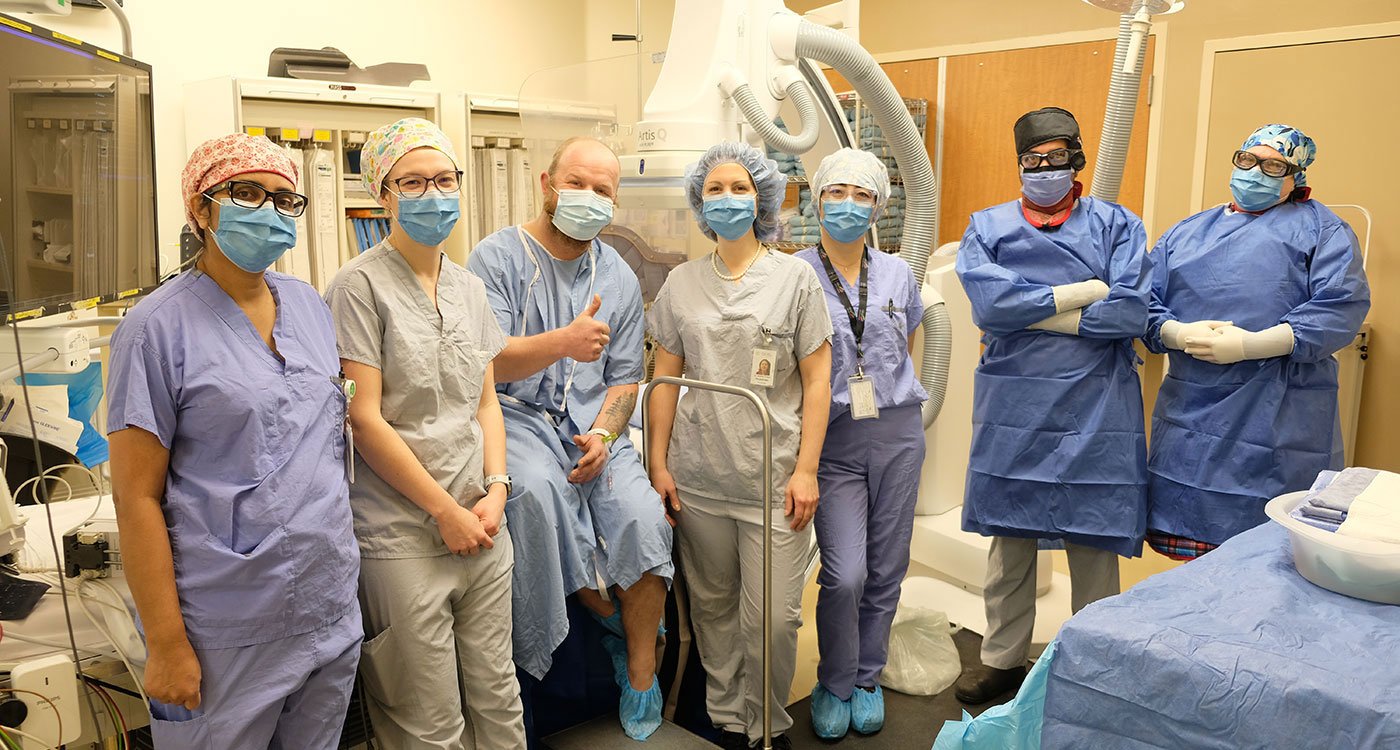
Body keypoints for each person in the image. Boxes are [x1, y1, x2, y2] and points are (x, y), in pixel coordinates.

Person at [107, 133, 360, 748]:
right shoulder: (152, 330)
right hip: (224, 620)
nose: (268, 211)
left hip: (328, 598)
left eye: (283, 199)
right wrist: (166, 644)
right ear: (201, 209)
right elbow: (136, 498)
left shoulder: (307, 305)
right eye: (245, 194)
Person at [325, 118, 526, 748]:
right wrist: (443, 511)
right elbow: (364, 418)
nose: (432, 193)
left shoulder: (469, 286)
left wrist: (495, 488)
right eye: (413, 182)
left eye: (444, 179)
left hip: (483, 521)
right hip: (403, 536)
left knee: (499, 697)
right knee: (427, 722)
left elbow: (486, 402)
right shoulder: (356, 287)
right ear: (383, 194)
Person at [465, 136, 672, 741]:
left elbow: (627, 377)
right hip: (515, 418)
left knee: (641, 517)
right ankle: (601, 615)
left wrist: (607, 433)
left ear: (615, 201)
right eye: (576, 183)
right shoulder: (495, 259)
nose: (588, 197)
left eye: (602, 190)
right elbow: (488, 363)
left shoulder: (618, 276)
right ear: (546, 183)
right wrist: (562, 343)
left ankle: (639, 671)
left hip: (592, 425)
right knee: (537, 497)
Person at [951, 107, 1151, 704]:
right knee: (1010, 541)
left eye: (1056, 157)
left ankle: (1098, 661)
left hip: (1097, 403)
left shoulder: (1118, 226)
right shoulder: (987, 228)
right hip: (1016, 403)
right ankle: (1003, 661)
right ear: (1019, 166)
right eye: (1033, 160)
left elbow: (1132, 309)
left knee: (1093, 539)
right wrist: (1080, 297)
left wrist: (1035, 313)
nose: (1044, 168)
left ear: (1078, 160)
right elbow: (989, 307)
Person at [647, 141, 833, 750]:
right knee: (714, 610)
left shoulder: (795, 278)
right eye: (716, 189)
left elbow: (817, 379)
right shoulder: (681, 283)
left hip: (772, 480)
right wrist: (657, 461)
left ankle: (766, 722)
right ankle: (729, 721)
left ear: (763, 199)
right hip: (699, 477)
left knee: (774, 619)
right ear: (700, 202)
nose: (727, 198)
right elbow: (665, 379)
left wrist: (807, 470)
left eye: (740, 188)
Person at [1142, 124, 1370, 560]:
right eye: (1247, 160)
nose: (1255, 172)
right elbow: (1142, 300)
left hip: (1280, 412)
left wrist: (1254, 345)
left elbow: (1341, 306)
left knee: (1268, 558)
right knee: (1190, 559)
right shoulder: (1187, 233)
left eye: (1272, 165)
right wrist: (1175, 331)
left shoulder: (1324, 231)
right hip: (1193, 406)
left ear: (1295, 176)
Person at [794, 148, 927, 740]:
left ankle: (868, 678)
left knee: (887, 566)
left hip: (898, 430)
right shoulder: (794, 273)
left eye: (863, 195)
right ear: (816, 197)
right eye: (837, 192)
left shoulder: (898, 273)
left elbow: (909, 343)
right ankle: (835, 679)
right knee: (844, 572)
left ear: (880, 206)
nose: (849, 205)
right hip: (834, 437)